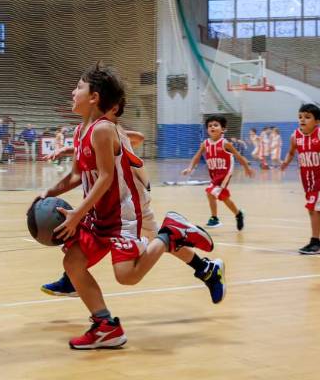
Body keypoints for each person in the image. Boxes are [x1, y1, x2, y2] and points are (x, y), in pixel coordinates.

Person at [38, 63, 214, 349]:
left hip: (121, 216)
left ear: (94, 97)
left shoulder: (104, 129)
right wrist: (47, 192)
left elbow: (106, 177)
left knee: (127, 277)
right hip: (97, 216)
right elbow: (75, 175)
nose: (73, 92)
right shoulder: (79, 131)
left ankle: (170, 235)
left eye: (79, 87)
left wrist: (75, 216)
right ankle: (106, 326)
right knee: (72, 263)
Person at [42, 103, 226, 305]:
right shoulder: (94, 129)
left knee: (154, 242)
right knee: (153, 239)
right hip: (118, 199)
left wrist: (119, 138)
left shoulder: (109, 129)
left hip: (130, 198)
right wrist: (71, 149)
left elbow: (138, 138)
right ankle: (206, 269)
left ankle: (197, 259)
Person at [182, 115, 254, 229]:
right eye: (210, 126)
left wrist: (246, 167)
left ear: (223, 129)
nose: (212, 127)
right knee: (221, 197)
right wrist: (190, 168)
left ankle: (214, 218)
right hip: (215, 174)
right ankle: (238, 214)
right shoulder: (205, 143)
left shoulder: (225, 143)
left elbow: (238, 156)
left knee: (210, 192)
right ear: (207, 129)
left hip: (225, 173)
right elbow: (197, 156)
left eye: (216, 125)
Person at [280, 104, 320, 254]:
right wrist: (285, 162)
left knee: (313, 208)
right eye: (300, 117)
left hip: (319, 179)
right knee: (313, 210)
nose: (303, 120)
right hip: (307, 180)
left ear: (317, 122)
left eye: (307, 117)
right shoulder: (295, 136)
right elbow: (291, 153)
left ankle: (315, 242)